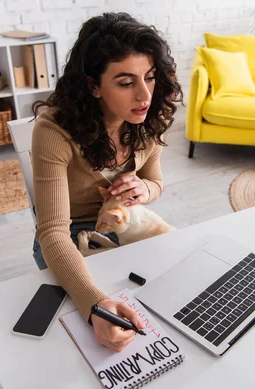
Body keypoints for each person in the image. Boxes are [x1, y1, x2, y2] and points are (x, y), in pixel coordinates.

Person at [30, 12, 182, 352]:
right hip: (70, 236)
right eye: (126, 83)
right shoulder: (54, 131)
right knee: (96, 326)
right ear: (93, 85)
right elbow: (52, 232)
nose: (145, 95)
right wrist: (94, 305)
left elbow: (155, 182)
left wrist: (145, 189)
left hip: (126, 224)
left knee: (169, 295)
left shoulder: (147, 118)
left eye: (151, 77)